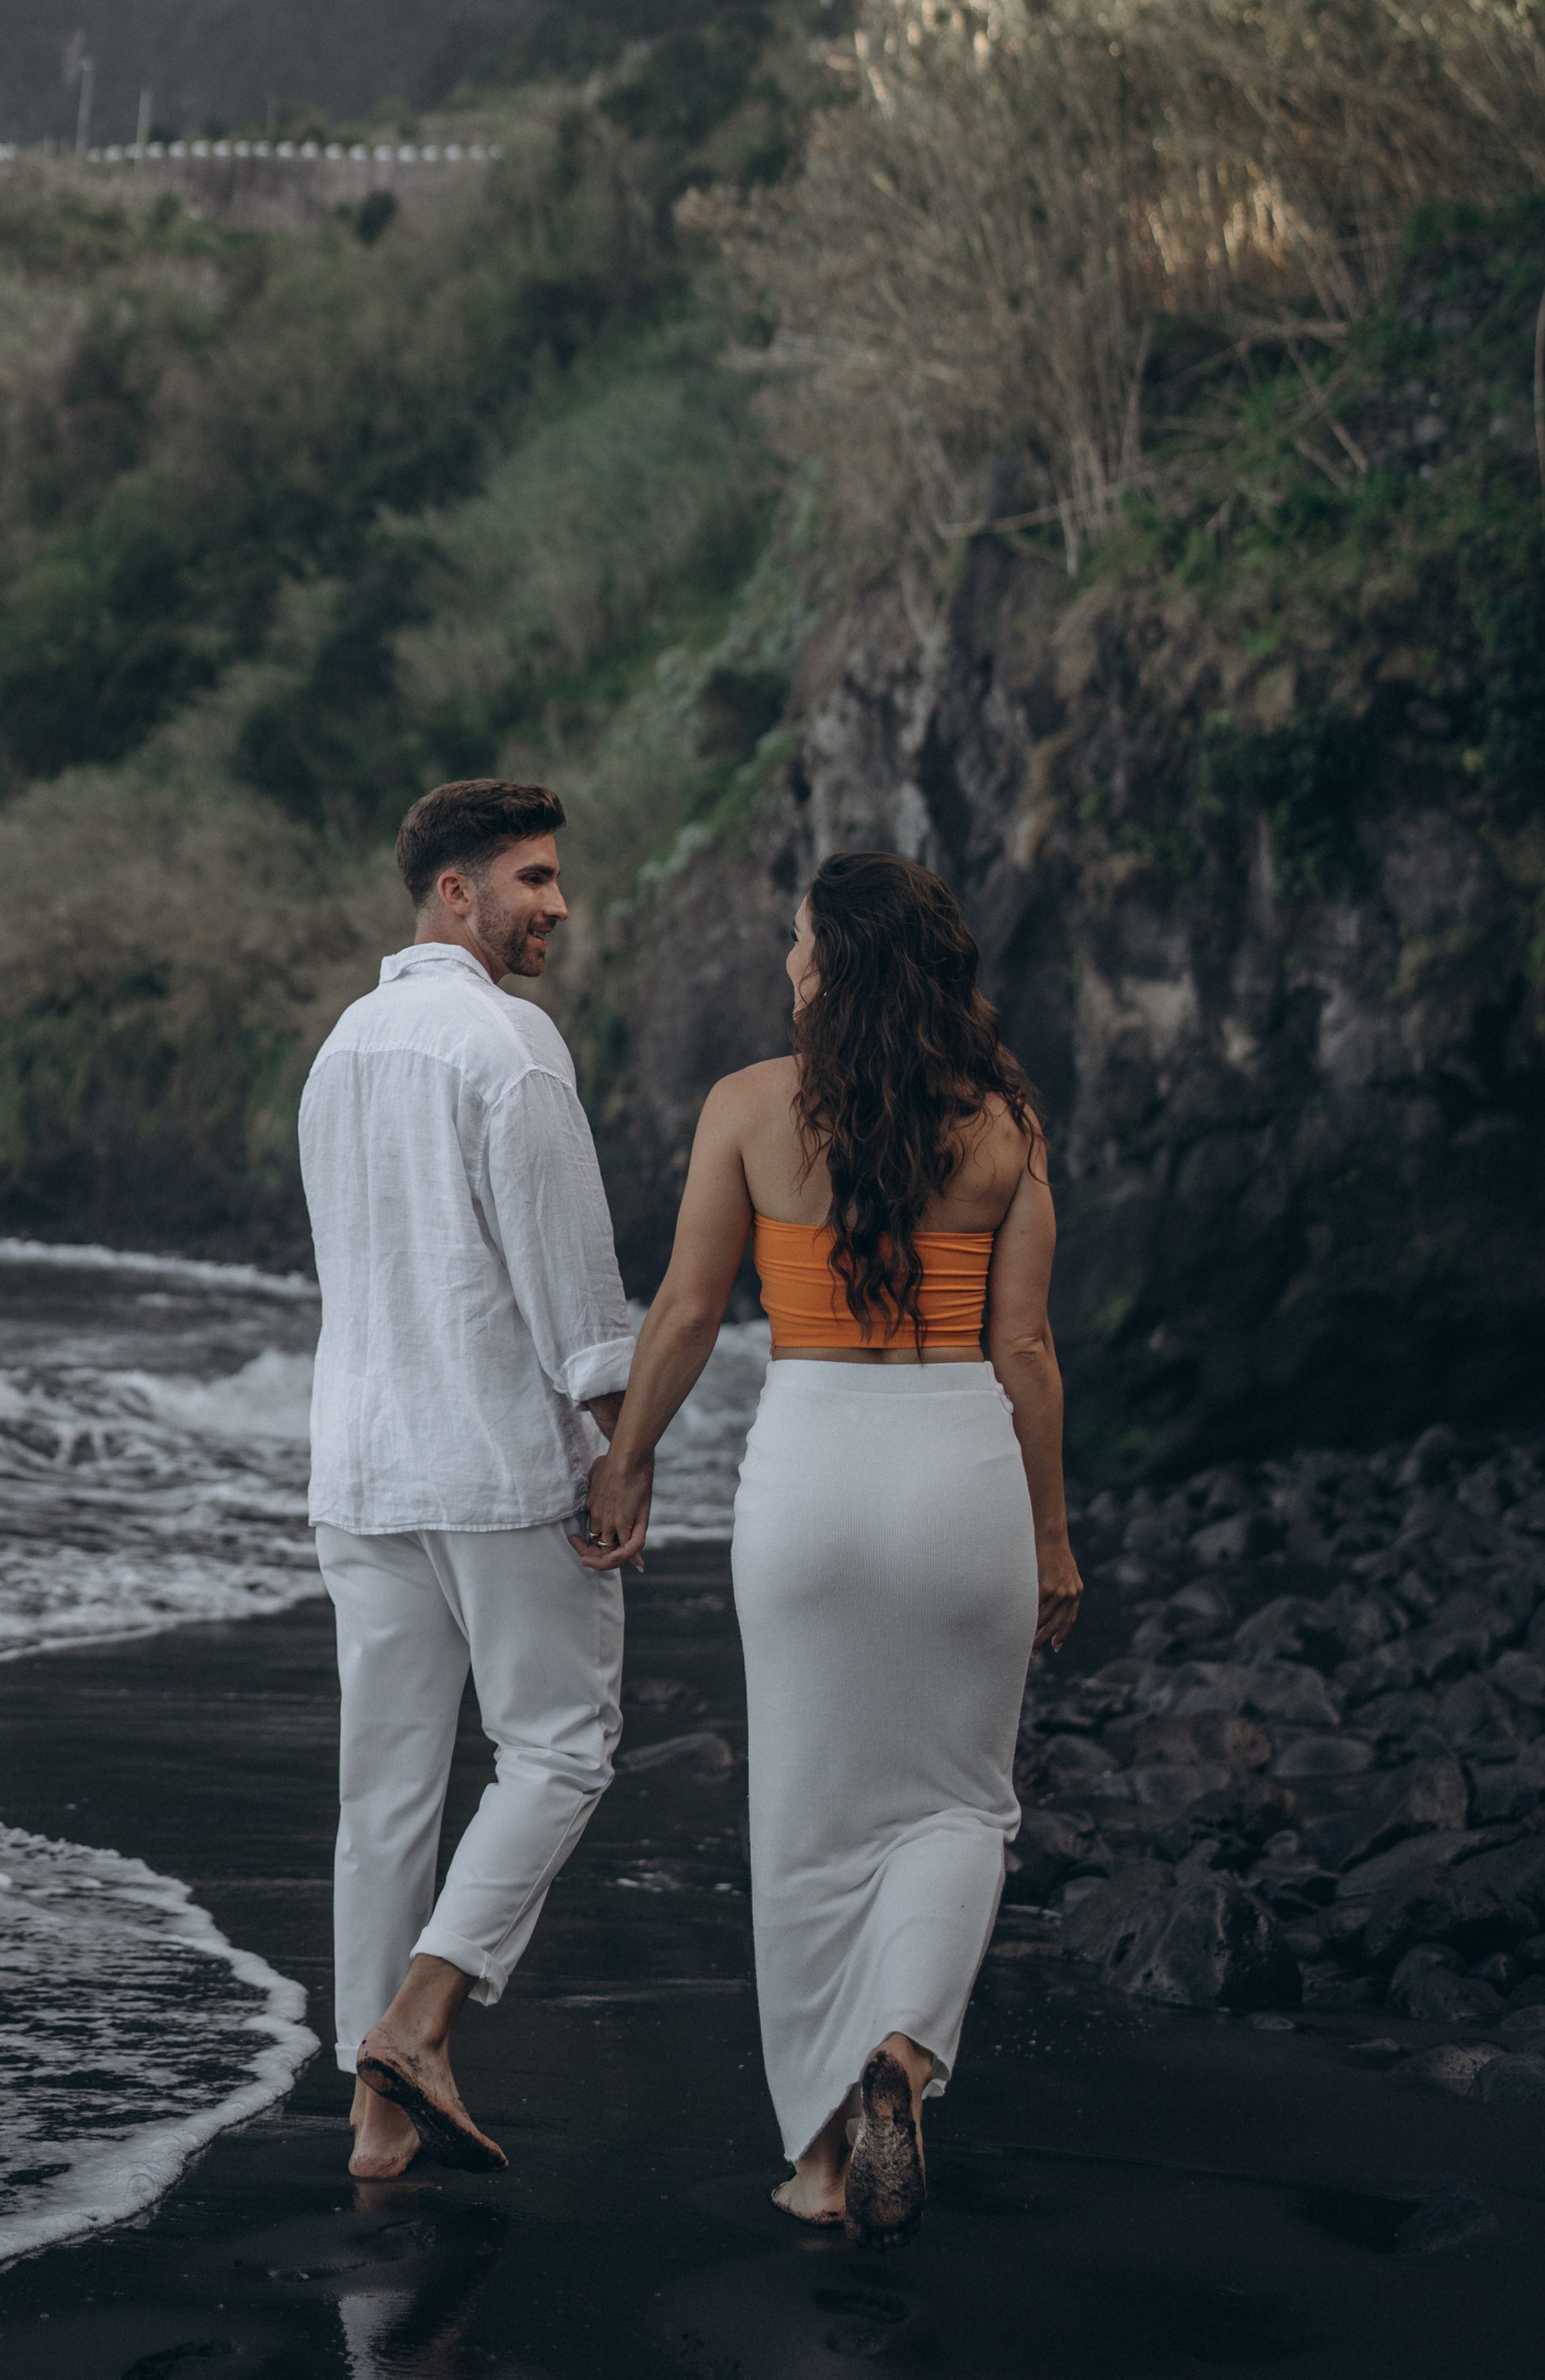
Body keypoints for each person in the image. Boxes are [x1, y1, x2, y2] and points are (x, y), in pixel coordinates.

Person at [579, 850, 1082, 2245]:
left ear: (837, 965)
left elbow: (682, 1315)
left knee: (805, 1829)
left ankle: (815, 2160)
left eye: (800, 945)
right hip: (959, 1472)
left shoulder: (747, 1108)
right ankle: (902, 2060)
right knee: (961, 1807)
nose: (789, 965)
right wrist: (1051, 1537)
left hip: (807, 1478)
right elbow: (1026, 1350)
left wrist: (626, 1473)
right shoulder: (1005, 1127)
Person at [299, 776, 637, 2181]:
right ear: (458, 892)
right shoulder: (508, 1044)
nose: (558, 906)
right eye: (534, 879)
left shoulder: (344, 1048)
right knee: (561, 1745)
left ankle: (376, 2125)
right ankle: (421, 2022)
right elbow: (574, 1292)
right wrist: (622, 1450)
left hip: (362, 1470)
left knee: (385, 1793)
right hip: (496, 1467)